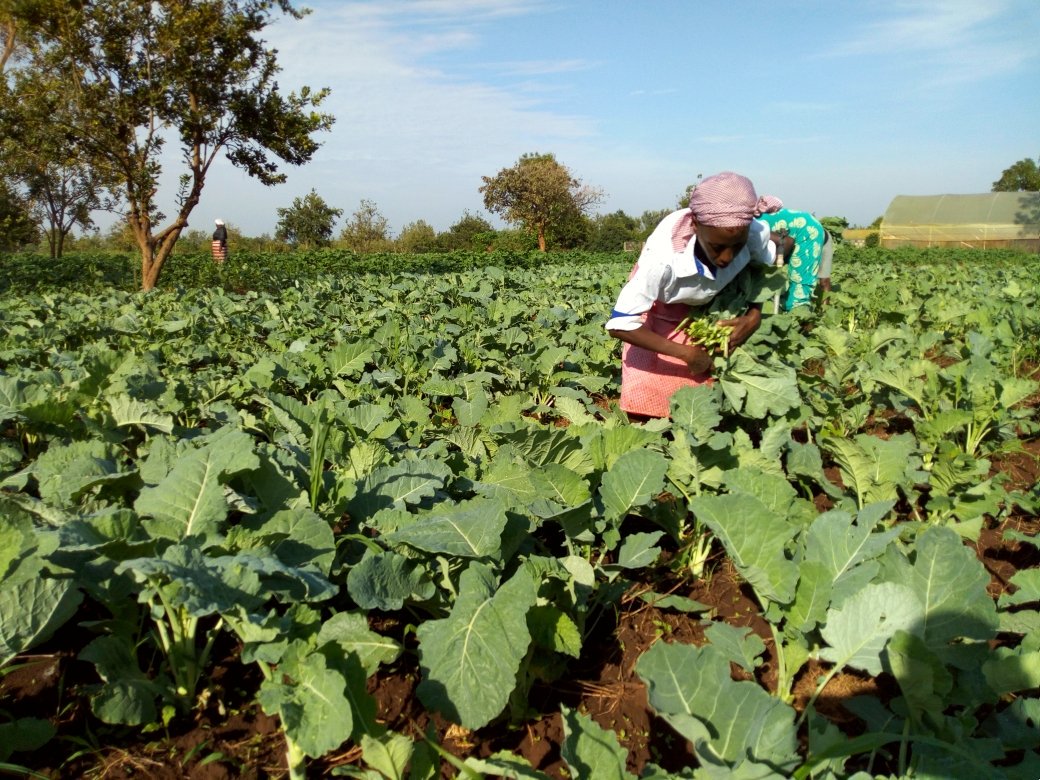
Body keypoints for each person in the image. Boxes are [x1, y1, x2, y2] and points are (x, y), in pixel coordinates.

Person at [606, 171, 785, 419]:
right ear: (695, 225)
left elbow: (763, 268)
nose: (727, 258)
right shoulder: (663, 261)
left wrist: (754, 315)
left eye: (737, 246)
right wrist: (686, 353)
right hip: (656, 311)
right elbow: (620, 325)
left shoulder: (752, 234)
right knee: (645, 396)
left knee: (700, 406)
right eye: (716, 247)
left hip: (703, 310)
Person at [756, 208, 825, 310]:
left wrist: (773, 271)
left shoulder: (747, 228)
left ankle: (798, 317)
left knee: (798, 291)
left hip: (805, 231)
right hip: (788, 233)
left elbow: (786, 241)